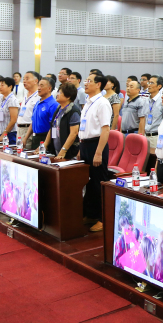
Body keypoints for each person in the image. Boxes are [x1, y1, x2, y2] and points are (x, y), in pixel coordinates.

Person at [79, 73, 113, 233]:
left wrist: (98, 153)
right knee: (89, 182)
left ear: (98, 84)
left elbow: (105, 129)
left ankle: (102, 218)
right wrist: (80, 148)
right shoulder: (88, 102)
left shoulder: (102, 103)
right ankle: (91, 214)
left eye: (89, 81)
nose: (85, 83)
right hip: (85, 145)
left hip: (96, 145)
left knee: (99, 182)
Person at [46, 83, 81, 160]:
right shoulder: (58, 109)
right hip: (56, 150)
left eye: (60, 92)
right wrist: (45, 145)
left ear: (68, 96)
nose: (57, 94)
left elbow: (74, 133)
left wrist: (63, 150)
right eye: (58, 92)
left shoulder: (73, 111)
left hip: (69, 152)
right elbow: (53, 128)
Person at [27, 77, 58, 151]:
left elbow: (54, 127)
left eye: (42, 86)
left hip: (46, 138)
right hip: (35, 138)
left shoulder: (53, 104)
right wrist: (25, 138)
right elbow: (33, 122)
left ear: (49, 88)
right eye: (38, 85)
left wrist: (48, 143)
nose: (39, 88)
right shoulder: (38, 102)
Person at [15, 72, 40, 144]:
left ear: (36, 81)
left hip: (29, 129)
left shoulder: (39, 96)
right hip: (19, 128)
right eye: (23, 79)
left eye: (27, 79)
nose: (24, 81)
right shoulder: (26, 95)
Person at [0, 77, 19, 144]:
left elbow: (13, 120)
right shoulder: (1, 99)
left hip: (9, 133)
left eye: (2, 85)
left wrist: (4, 134)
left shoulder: (12, 100)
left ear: (10, 87)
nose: (0, 87)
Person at [144, 75, 163, 155]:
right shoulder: (146, 100)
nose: (149, 85)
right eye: (148, 82)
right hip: (146, 136)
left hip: (156, 137)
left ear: (159, 86)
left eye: (152, 83)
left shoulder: (162, 101)